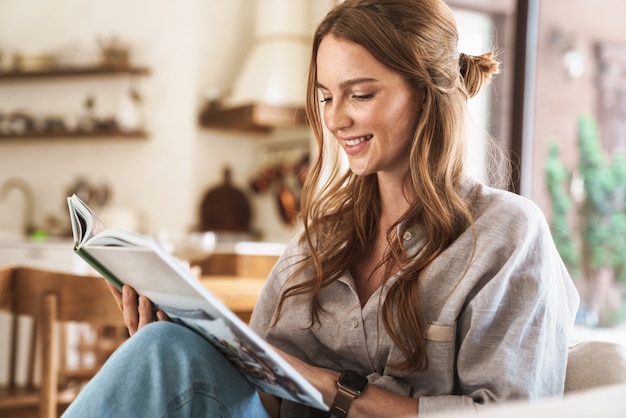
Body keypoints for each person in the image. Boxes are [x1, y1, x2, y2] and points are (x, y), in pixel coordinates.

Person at [62, 0, 579, 417]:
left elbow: (510, 413)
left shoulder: (506, 235)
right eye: (327, 97)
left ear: (428, 94)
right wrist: (182, 335)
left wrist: (330, 387)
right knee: (163, 351)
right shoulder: (320, 238)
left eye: (360, 94)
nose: (335, 120)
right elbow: (258, 393)